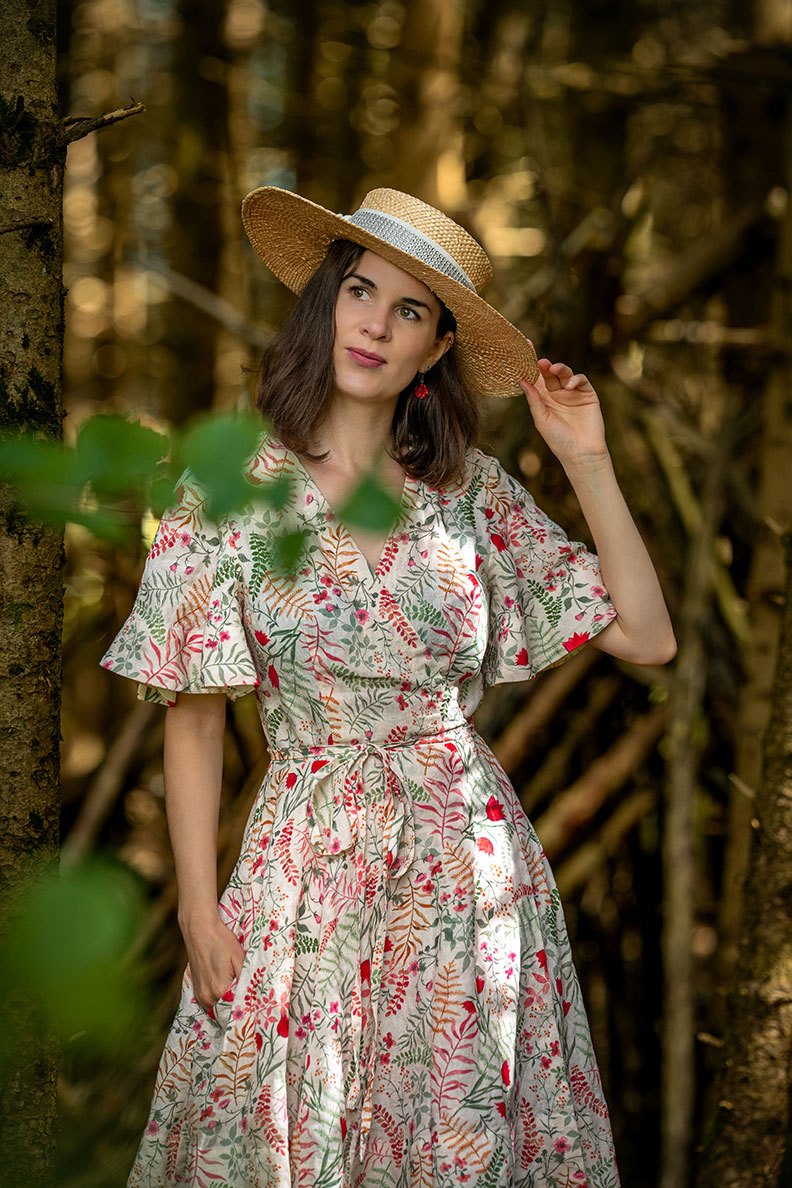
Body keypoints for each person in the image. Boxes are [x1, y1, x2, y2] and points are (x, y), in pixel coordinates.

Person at [102, 185, 675, 1188]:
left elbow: (647, 634)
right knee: (283, 1123)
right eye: (360, 290)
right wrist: (199, 908)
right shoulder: (229, 493)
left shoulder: (473, 495)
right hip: (303, 865)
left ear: (438, 346)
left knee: (453, 1138)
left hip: (467, 871)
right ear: (327, 303)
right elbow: (191, 719)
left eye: (411, 309)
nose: (375, 322)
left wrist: (586, 458)